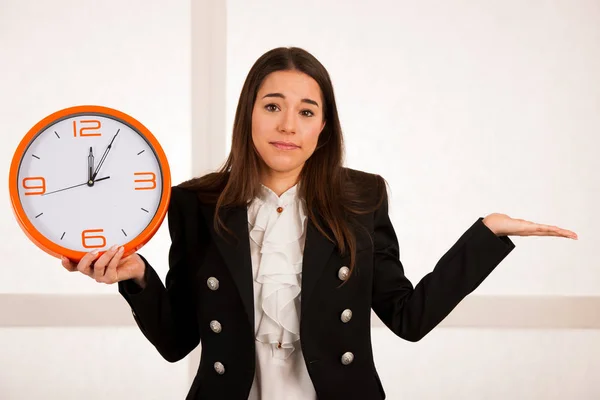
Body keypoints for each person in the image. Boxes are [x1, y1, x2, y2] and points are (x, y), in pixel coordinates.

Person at [61, 47, 578, 400]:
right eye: (273, 106)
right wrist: (136, 278)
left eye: (307, 111)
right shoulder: (197, 203)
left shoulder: (361, 197)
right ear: (248, 115)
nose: (289, 125)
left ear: (324, 125)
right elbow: (177, 343)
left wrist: (487, 235)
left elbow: (408, 317)